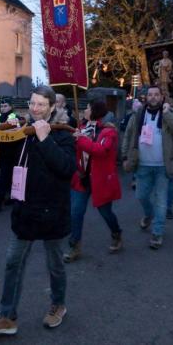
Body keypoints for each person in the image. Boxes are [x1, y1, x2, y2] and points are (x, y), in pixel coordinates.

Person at [0, 85, 76, 336]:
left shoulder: (62, 134)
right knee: (13, 262)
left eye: (41, 104)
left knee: (55, 264)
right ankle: (7, 316)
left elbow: (66, 168)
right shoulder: (25, 131)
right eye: (32, 103)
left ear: (53, 107)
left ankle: (58, 305)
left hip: (52, 211)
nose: (35, 109)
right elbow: (10, 159)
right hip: (25, 211)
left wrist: (45, 139)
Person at [121, 86, 173, 249]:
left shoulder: (169, 113)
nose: (153, 97)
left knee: (161, 201)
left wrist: (166, 113)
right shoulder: (137, 115)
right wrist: (124, 156)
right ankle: (149, 215)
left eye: (156, 94)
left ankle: (157, 233)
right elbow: (128, 135)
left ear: (161, 97)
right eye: (150, 95)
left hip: (163, 166)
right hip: (142, 165)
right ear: (146, 97)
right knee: (141, 196)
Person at [63, 100, 123, 263]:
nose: (84, 110)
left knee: (105, 213)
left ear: (95, 111)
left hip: (99, 180)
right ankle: (74, 245)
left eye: (88, 108)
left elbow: (101, 151)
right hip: (82, 179)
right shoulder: (81, 129)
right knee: (76, 213)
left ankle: (116, 233)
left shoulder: (108, 131)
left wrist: (80, 139)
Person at [0, 98, 22, 213]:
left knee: (5, 177)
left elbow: (18, 133)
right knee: (7, 176)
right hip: (1, 151)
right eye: (2, 106)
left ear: (11, 107)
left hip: (13, 151)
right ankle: (11, 198)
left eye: (5, 106)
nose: (3, 108)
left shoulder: (16, 117)